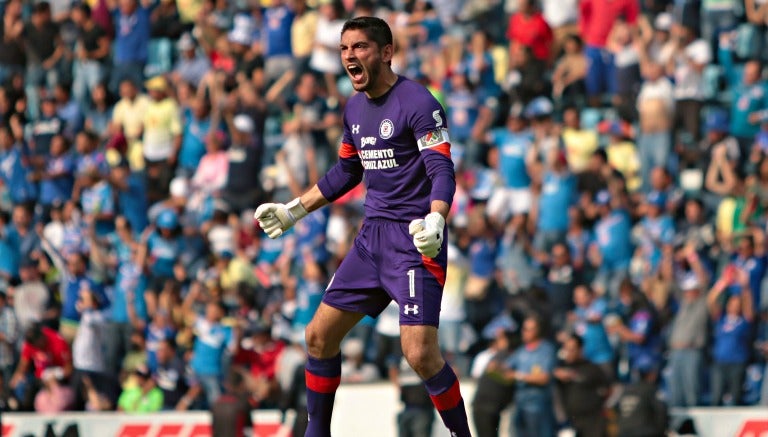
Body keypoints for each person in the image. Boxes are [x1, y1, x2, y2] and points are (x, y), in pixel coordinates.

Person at [254, 16, 471, 437]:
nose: (350, 56)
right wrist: (293, 210)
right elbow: (347, 171)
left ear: (387, 52)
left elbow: (442, 169)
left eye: (360, 47)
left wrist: (436, 218)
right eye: (344, 48)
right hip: (371, 240)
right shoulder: (353, 107)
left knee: (420, 355)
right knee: (317, 337)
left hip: (414, 242)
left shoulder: (419, 102)